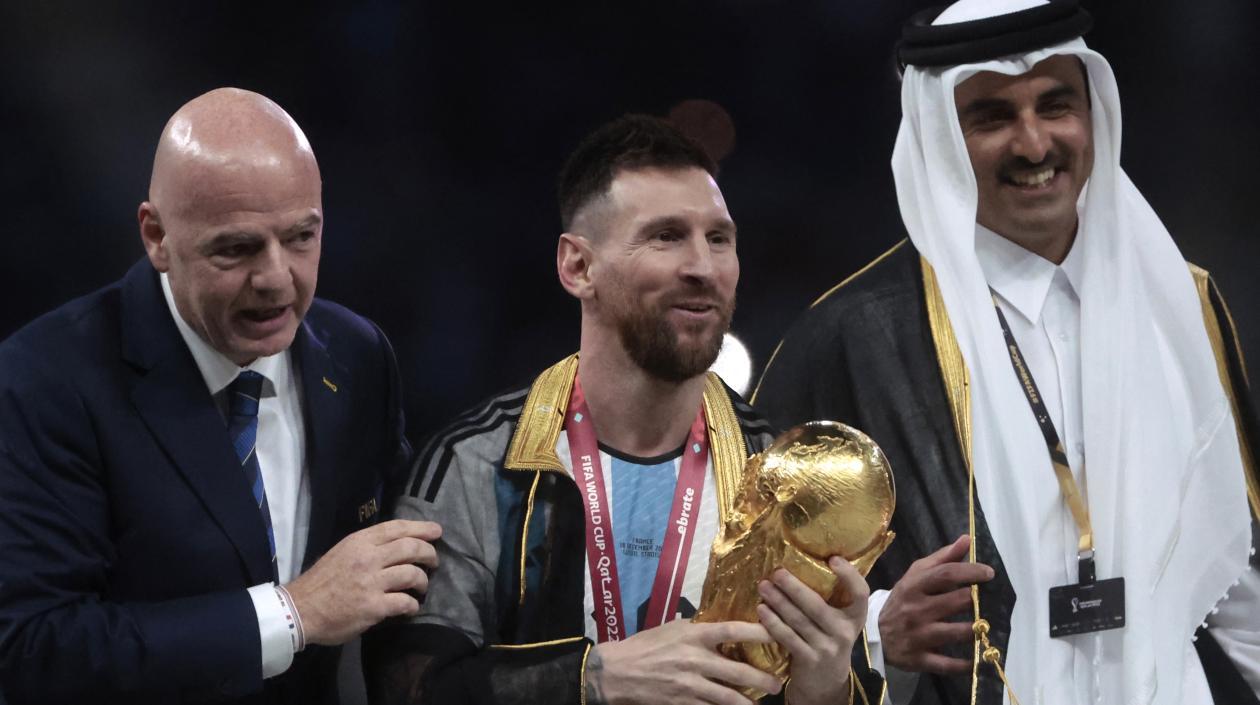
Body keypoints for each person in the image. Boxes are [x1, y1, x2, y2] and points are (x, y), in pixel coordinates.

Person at [754, 1, 1260, 704]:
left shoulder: (1180, 300)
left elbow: (1236, 566)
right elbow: (752, 591)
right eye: (992, 117)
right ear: (939, 137)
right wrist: (874, 628)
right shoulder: (855, 335)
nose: (1034, 144)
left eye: (1056, 106)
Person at [365, 115, 879, 705]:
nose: (703, 267)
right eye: (666, 236)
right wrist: (593, 679)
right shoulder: (476, 465)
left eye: (719, 239)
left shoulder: (782, 479)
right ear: (578, 267)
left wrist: (826, 691)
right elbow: (408, 690)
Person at [0, 88, 441, 704]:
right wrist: (293, 613)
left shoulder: (357, 356)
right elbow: (32, 648)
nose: (276, 278)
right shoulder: (45, 382)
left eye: (301, 237)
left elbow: (398, 575)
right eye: (236, 248)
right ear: (156, 236)